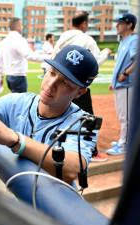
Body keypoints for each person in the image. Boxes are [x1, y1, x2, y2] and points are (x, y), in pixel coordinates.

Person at [0, 45, 99, 185]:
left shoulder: (85, 122)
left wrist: (16, 140)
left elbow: (72, 169)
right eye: (51, 72)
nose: (51, 84)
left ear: (80, 92)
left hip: (54, 207)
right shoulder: (16, 101)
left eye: (65, 83)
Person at [53, 11, 112, 162]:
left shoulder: (63, 37)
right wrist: (105, 52)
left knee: (61, 114)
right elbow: (96, 63)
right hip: (75, 85)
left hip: (58, 83)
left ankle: (59, 147)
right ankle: (92, 153)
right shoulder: (87, 39)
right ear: (84, 23)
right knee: (87, 117)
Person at [106, 13, 138, 155]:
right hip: (120, 85)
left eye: (120, 23)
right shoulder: (124, 41)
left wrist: (125, 74)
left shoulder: (134, 40)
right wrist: (114, 82)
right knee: (122, 115)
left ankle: (125, 144)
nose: (117, 25)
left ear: (129, 24)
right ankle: (124, 140)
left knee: (127, 116)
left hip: (127, 84)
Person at [0, 17, 51, 93]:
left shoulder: (4, 42)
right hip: (18, 76)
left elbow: (0, 61)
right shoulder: (19, 40)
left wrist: (1, 76)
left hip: (9, 76)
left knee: (15, 100)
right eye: (21, 25)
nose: (22, 27)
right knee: (20, 103)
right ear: (17, 26)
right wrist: (50, 58)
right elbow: (29, 56)